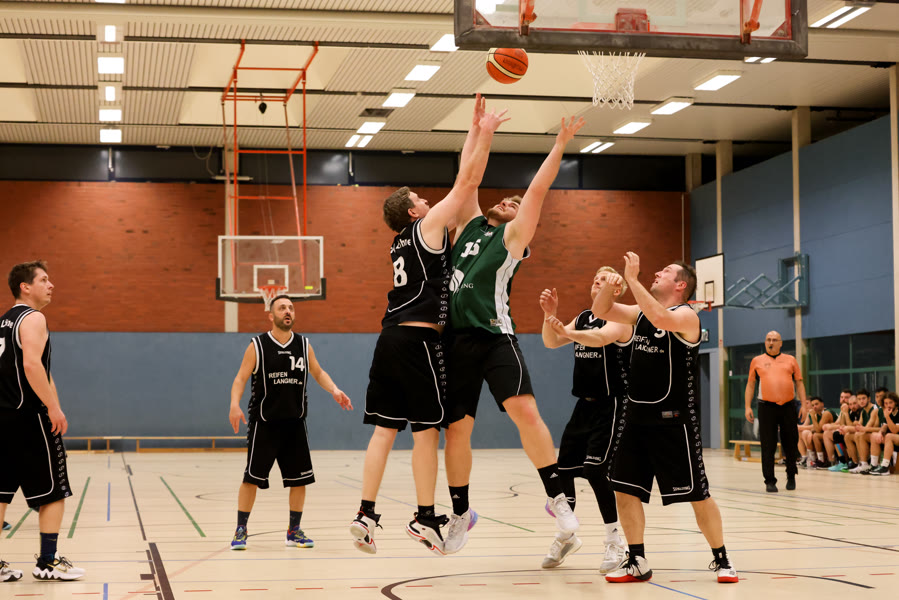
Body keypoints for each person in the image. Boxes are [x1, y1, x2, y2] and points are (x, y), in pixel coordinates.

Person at [349, 95, 507, 556]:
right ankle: (423, 517)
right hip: (419, 340)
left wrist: (473, 129)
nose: (428, 200)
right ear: (414, 212)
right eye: (421, 199)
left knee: (383, 430)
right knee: (425, 431)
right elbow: (468, 182)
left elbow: (462, 182)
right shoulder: (429, 227)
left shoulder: (399, 242)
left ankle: (365, 513)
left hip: (388, 338)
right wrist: (485, 133)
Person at [441, 115, 586, 556]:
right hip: (455, 341)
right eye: (506, 198)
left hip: (494, 336)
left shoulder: (513, 236)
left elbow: (537, 191)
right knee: (457, 431)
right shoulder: (469, 223)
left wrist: (560, 144)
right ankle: (461, 512)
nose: (509, 201)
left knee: (525, 410)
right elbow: (467, 175)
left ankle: (557, 497)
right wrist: (478, 130)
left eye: (515, 203)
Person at [593, 253, 737, 584]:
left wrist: (632, 279)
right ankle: (637, 559)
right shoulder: (640, 313)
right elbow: (602, 312)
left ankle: (722, 558)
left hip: (673, 422)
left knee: (697, 494)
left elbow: (660, 318)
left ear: (681, 285)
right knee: (624, 490)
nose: (658, 272)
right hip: (635, 418)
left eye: (666, 271)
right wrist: (609, 288)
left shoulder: (687, 316)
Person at [228, 295, 352, 550]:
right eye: (282, 308)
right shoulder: (258, 345)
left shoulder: (304, 345)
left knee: (299, 480)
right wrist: (234, 404)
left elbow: (318, 372)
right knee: (251, 478)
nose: (288, 311)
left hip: (295, 424)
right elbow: (240, 378)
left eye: (291, 308)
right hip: (265, 423)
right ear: (271, 315)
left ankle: (293, 531)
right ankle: (241, 529)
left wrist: (334, 389)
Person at [537, 267, 632, 572]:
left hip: (612, 405)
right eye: (595, 278)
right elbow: (551, 342)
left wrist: (567, 332)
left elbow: (600, 339)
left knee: (595, 471)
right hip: (584, 406)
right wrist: (549, 315)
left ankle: (615, 541)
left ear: (616, 290)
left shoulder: (621, 318)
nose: (596, 281)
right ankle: (566, 535)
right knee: (563, 470)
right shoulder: (582, 318)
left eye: (603, 279)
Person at [0, 261, 85, 581]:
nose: (51, 285)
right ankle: (48, 562)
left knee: (1, 493)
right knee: (54, 491)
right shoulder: (33, 317)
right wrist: (53, 408)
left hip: (2, 418)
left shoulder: (3, 322)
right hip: (28, 418)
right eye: (44, 280)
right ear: (25, 287)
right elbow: (33, 367)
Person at [744, 331, 807, 492]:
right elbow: (750, 384)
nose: (771, 342)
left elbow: (799, 383)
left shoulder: (790, 360)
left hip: (788, 406)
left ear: (781, 343)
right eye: (768, 340)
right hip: (766, 407)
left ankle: (791, 475)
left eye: (774, 340)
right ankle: (769, 481)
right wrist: (747, 406)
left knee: (791, 443)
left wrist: (804, 405)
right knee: (768, 444)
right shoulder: (757, 361)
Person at [798, 397, 836, 469]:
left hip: (834, 434)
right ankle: (810, 459)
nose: (814, 407)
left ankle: (821, 460)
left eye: (816, 404)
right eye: (813, 405)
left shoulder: (826, 413)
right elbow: (814, 428)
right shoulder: (816, 413)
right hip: (824, 434)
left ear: (822, 404)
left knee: (815, 436)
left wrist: (812, 416)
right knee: (806, 434)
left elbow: (818, 430)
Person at [868, 392, 899, 475]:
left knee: (889, 436)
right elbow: (884, 426)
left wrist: (887, 416)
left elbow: (895, 430)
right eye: (886, 403)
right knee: (874, 435)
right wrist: (880, 433)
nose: (888, 405)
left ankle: (885, 467)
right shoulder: (888, 411)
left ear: (896, 402)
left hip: (895, 436)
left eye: (890, 403)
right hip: (893, 438)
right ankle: (874, 465)